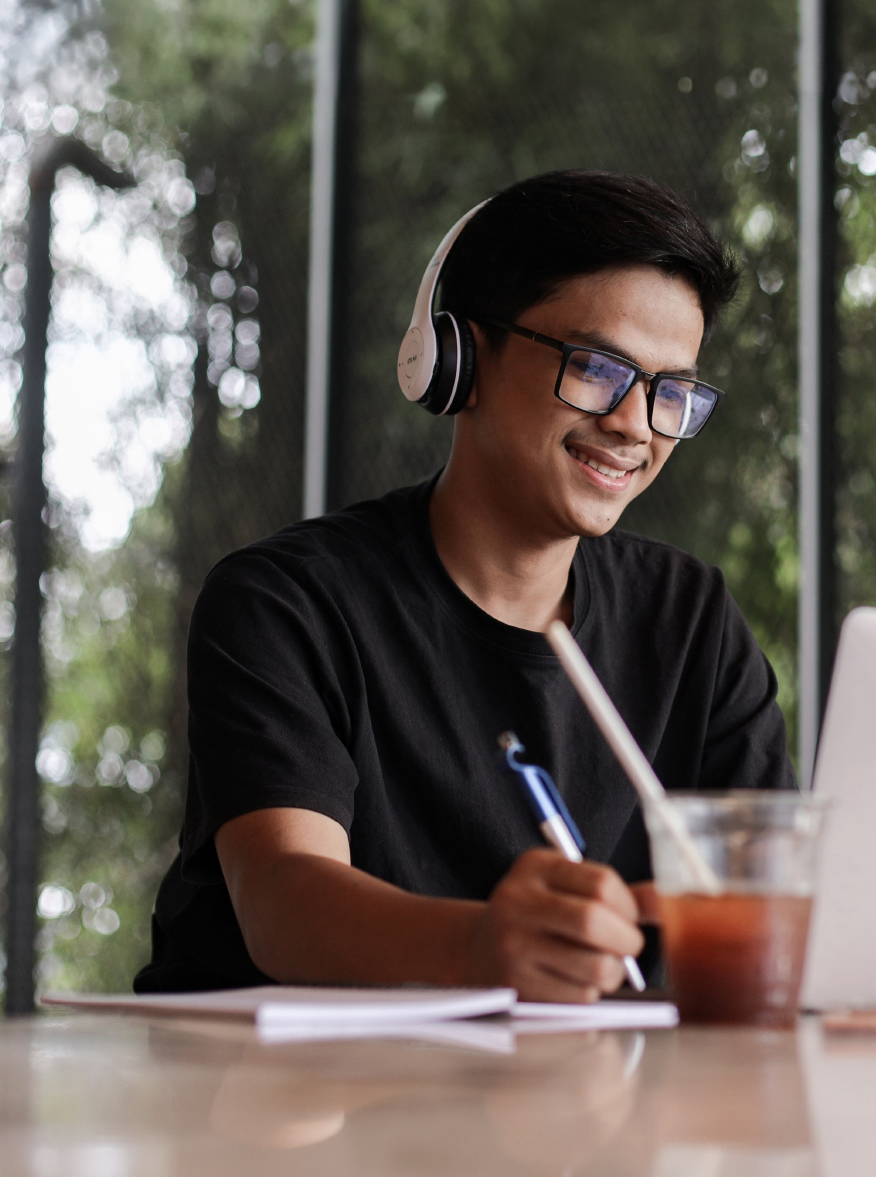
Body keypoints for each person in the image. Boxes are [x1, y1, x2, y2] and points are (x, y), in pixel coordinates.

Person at [136, 170, 792, 1000]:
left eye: (674, 392)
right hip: (290, 1106)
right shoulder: (287, 603)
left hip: (578, 1102)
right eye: (597, 368)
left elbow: (767, 894)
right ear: (460, 358)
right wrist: (484, 945)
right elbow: (283, 900)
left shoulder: (690, 622)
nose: (634, 424)